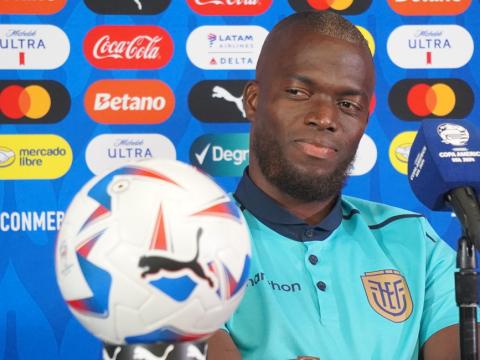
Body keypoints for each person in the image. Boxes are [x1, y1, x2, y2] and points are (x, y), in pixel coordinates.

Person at [206, 10, 462, 360]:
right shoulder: (190, 245)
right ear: (253, 101)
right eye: (298, 92)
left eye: (347, 104)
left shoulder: (418, 243)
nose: (325, 118)